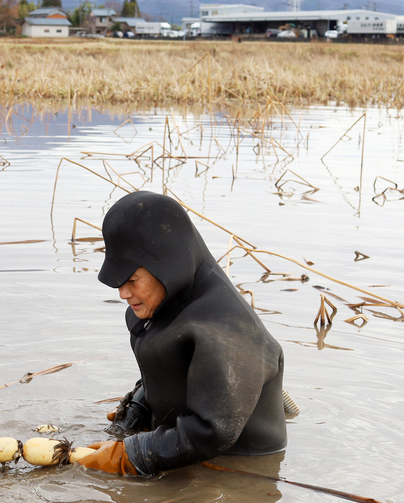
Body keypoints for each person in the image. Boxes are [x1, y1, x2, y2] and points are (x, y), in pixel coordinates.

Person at [73, 191, 287, 476]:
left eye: (132, 280)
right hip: (189, 453)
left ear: (167, 266)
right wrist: (138, 407)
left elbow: (214, 431)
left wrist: (132, 454)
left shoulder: (225, 333)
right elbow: (172, 370)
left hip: (237, 468)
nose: (123, 293)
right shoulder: (166, 302)